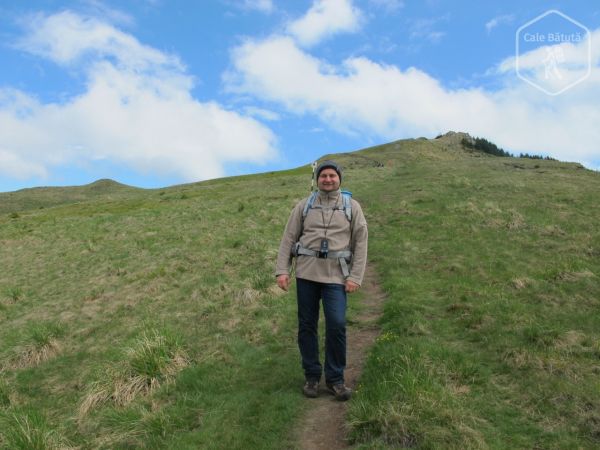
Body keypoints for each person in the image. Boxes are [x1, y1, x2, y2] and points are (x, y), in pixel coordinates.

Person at [275, 160, 368, 401]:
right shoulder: (304, 206)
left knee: (336, 324)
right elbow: (288, 238)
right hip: (306, 274)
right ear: (317, 180)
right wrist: (282, 271)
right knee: (307, 325)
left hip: (337, 276)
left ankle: (336, 379)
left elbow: (361, 242)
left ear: (339, 179)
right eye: (323, 176)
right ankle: (312, 376)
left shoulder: (352, 207)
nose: (327, 179)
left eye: (332, 176)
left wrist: (355, 277)